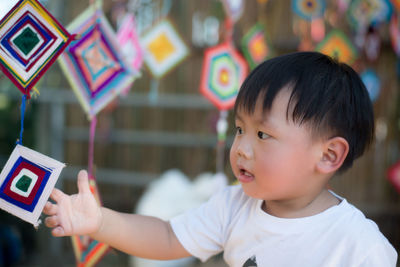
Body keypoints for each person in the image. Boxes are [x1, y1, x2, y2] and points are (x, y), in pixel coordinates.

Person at [43, 51, 397, 266]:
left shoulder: (359, 247)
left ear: (328, 155)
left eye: (262, 134)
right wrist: (101, 222)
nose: (241, 147)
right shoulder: (233, 206)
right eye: (240, 129)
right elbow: (167, 237)